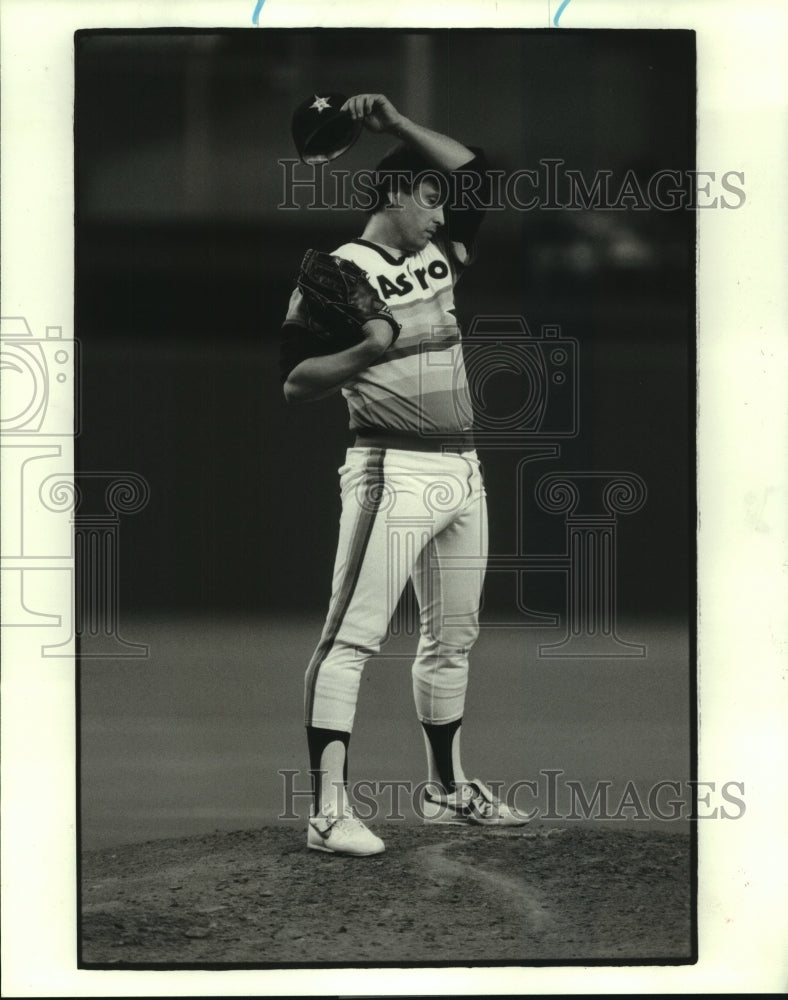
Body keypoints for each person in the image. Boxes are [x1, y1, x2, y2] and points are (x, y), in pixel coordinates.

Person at [280, 93, 526, 856]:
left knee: (453, 639)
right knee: (352, 638)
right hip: (392, 467)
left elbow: (484, 174)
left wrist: (395, 126)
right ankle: (327, 812)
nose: (441, 209)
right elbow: (292, 379)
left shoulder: (441, 255)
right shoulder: (336, 272)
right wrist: (364, 350)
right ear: (394, 192)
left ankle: (447, 791)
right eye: (428, 194)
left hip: (462, 470)